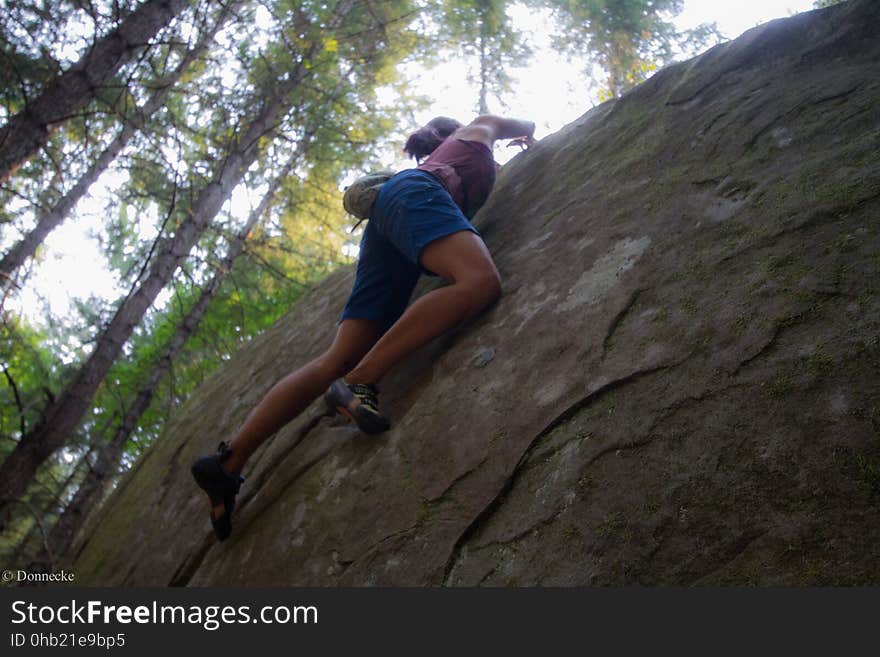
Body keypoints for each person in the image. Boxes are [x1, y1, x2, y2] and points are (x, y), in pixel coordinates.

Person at [191, 114, 536, 540]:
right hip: (414, 198)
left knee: (336, 356)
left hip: (388, 221)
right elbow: (521, 121)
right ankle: (360, 383)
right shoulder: (476, 131)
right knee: (479, 281)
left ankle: (227, 462)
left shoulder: (443, 161)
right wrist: (529, 134)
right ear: (453, 131)